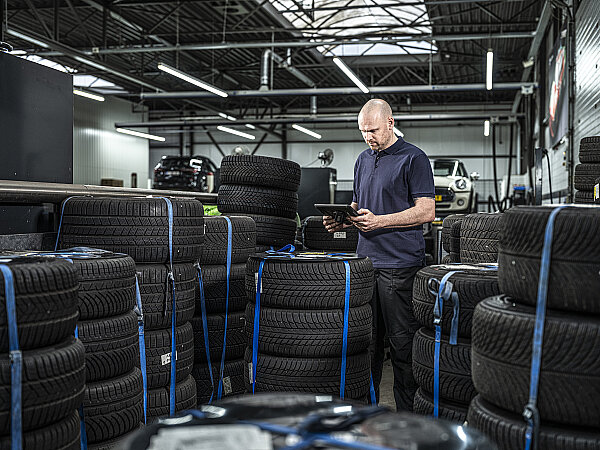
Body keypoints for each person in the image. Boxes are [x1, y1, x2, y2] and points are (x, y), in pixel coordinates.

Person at [323, 99, 435, 411]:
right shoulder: (362, 159)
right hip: (366, 264)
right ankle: (367, 416)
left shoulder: (414, 158)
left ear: (390, 122)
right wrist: (343, 218)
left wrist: (381, 221)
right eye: (363, 132)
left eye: (372, 130)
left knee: (402, 347)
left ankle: (407, 419)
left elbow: (427, 210)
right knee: (366, 347)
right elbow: (361, 204)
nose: (368, 137)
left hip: (400, 267)